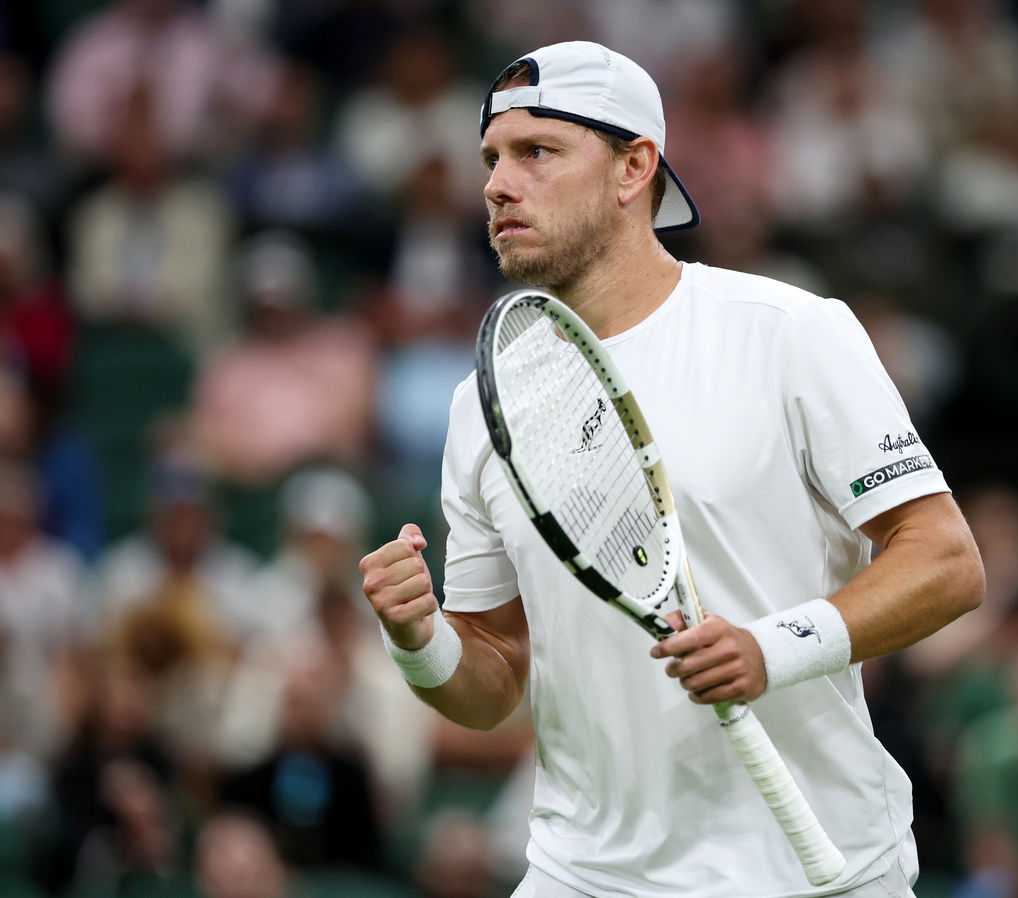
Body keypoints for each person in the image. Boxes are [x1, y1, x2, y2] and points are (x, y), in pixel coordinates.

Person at [360, 41, 985, 898]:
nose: (498, 185)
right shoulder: (486, 401)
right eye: (492, 159)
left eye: (537, 152)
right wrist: (420, 641)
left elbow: (945, 560)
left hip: (813, 868)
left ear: (633, 168)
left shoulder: (788, 332)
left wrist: (773, 648)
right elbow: (493, 674)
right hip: (583, 871)